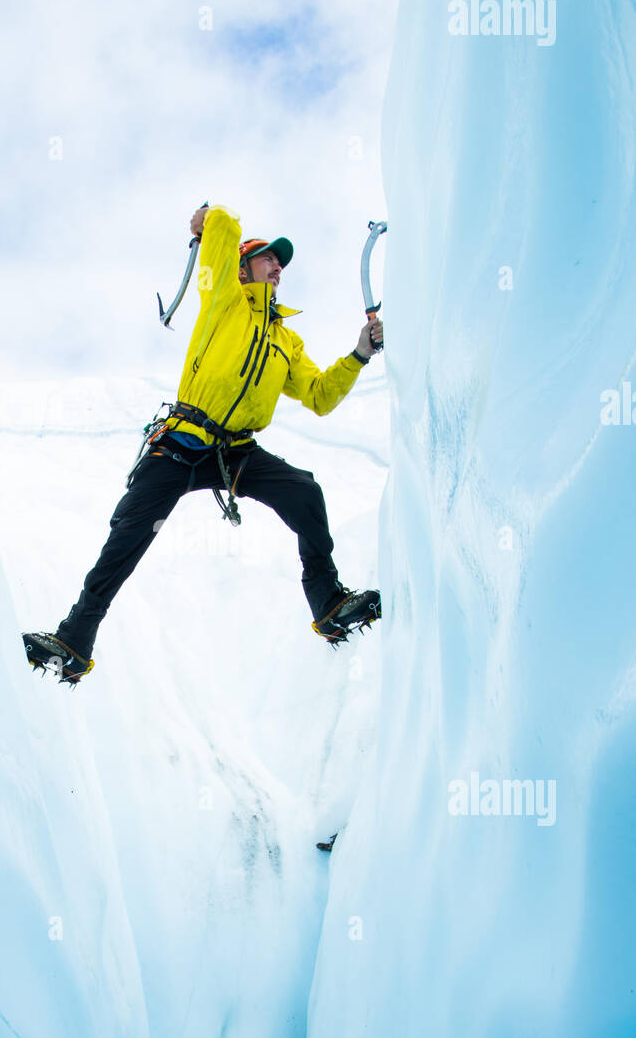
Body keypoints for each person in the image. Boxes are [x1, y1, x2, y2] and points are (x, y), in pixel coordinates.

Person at [24, 202, 383, 684]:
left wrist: (360, 353)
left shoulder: (286, 340)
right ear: (240, 266)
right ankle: (74, 640)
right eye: (267, 259)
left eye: (281, 263)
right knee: (128, 537)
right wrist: (211, 217)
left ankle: (329, 604)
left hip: (236, 452)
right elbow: (222, 236)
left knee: (304, 492)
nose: (278, 267)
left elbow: (318, 396)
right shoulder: (223, 300)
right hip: (179, 443)